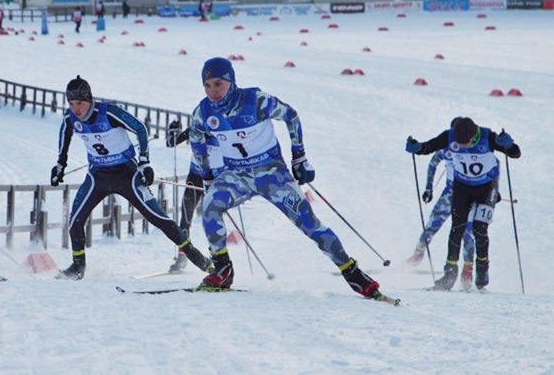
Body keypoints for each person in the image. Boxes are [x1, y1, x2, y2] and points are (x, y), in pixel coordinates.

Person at [190, 57, 385, 297]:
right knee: (210, 206)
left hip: (272, 174)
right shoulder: (203, 112)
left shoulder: (256, 101)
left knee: (309, 224)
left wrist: (299, 157)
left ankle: (353, 273)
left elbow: (290, 116)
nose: (213, 91)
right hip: (236, 175)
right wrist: (207, 176)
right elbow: (196, 138)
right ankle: (222, 270)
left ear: (231, 80)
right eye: (207, 85)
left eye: (218, 84)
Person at [50, 76, 213, 280]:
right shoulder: (70, 118)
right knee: (75, 221)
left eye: (80, 103)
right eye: (71, 104)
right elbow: (65, 135)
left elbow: (140, 128)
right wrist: (60, 164)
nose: (76, 109)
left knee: (160, 220)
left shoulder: (109, 112)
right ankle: (77, 267)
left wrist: (144, 162)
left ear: (89, 100)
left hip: (126, 174)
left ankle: (202, 262)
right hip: (97, 176)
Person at [405, 116, 521, 290]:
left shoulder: (488, 137)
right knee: (456, 229)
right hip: (461, 188)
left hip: (485, 189)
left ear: (474, 137)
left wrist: (509, 145)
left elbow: (514, 153)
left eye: (465, 143)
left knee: (478, 229)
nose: (462, 147)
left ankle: (481, 268)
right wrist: (417, 147)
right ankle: (449, 274)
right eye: (459, 143)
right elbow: (428, 148)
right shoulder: (450, 137)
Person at [406, 146, 477, 290]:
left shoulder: (474, 150)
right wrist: (428, 188)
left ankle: (467, 271)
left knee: (467, 233)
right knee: (431, 227)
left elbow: (487, 169)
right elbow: (434, 162)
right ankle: (417, 255)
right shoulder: (449, 148)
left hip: (469, 197)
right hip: (450, 196)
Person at [164, 120, 225, 272]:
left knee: (213, 220)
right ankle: (182, 258)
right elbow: (171, 143)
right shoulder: (194, 129)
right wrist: (173, 131)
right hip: (195, 178)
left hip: (215, 180)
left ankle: (219, 259)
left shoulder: (222, 131)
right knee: (185, 219)